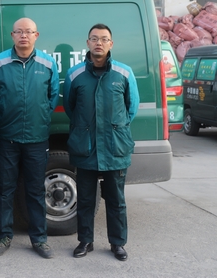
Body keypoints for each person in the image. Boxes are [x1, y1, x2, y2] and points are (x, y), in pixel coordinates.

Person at [63, 23, 139, 262]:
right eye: (94, 38)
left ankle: (118, 243)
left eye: (104, 39)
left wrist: (116, 129)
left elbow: (131, 108)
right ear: (87, 43)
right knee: (85, 199)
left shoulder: (124, 73)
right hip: (85, 146)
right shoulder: (75, 74)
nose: (99, 43)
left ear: (111, 44)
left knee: (116, 200)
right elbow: (70, 108)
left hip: (115, 147)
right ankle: (85, 241)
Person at [0, 17, 59, 259]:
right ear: (12, 35)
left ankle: (39, 239)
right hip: (7, 138)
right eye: (19, 31)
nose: (24, 35)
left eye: (28, 31)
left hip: (37, 139)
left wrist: (41, 117)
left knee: (35, 191)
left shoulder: (48, 63)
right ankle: (3, 236)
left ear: (36, 35)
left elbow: (52, 97)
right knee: (4, 190)